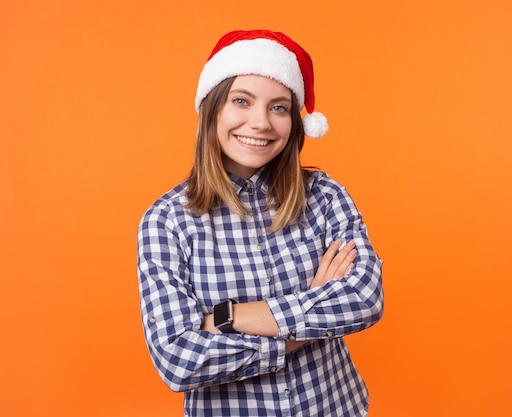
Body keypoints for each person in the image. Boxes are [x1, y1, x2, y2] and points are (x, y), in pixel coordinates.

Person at [137, 29, 384, 416]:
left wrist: (227, 317)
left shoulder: (325, 195)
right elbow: (178, 360)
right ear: (213, 108)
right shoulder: (167, 221)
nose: (261, 123)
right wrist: (311, 309)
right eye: (241, 101)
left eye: (279, 107)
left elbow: (364, 299)